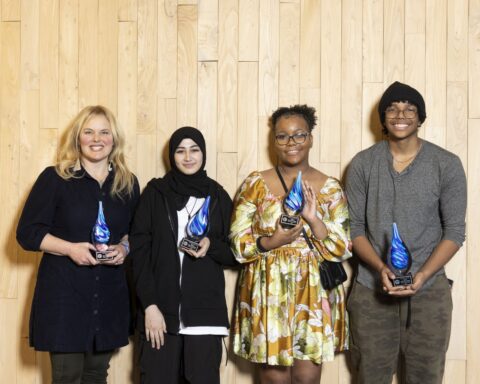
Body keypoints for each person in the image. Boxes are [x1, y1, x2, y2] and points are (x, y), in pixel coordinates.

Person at [345, 81, 467, 384]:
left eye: (410, 108)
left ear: (420, 117)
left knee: (426, 377)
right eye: (393, 108)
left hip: (428, 292)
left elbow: (454, 231)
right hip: (372, 290)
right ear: (383, 117)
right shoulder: (362, 164)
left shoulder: (447, 164)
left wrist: (422, 275)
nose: (401, 114)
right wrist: (380, 268)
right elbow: (355, 228)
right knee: (370, 376)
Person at [16, 105, 140, 384]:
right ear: (78, 138)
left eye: (104, 132)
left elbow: (136, 233)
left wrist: (124, 249)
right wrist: (70, 249)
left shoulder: (128, 183)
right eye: (89, 132)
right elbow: (28, 233)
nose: (97, 139)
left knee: (97, 376)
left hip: (109, 296)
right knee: (67, 377)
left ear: (114, 139)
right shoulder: (55, 178)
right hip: (65, 296)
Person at [230, 105, 351, 383]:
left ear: (310, 139)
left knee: (307, 378)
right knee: (274, 378)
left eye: (299, 135)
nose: (291, 143)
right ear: (273, 141)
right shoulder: (255, 184)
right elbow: (237, 243)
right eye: (282, 136)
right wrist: (273, 241)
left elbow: (343, 248)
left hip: (313, 289)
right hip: (267, 288)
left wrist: (314, 219)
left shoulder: (330, 187)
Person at [130, 126, 237, 384]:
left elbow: (236, 253)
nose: (188, 157)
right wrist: (150, 306)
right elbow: (138, 255)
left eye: (194, 150)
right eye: (180, 151)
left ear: (203, 154)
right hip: (160, 316)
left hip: (205, 317)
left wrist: (211, 244)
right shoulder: (155, 194)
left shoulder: (218, 195)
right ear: (171, 155)